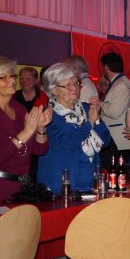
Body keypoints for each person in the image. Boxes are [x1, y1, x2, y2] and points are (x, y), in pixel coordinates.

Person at [0, 55, 51, 202]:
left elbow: (39, 150)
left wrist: (40, 128)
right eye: (3, 78)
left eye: (12, 75)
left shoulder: (18, 108)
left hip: (21, 189)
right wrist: (26, 132)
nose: (12, 80)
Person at [37, 63, 110, 195]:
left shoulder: (86, 108)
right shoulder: (49, 115)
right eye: (67, 85)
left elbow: (106, 141)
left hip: (89, 179)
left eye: (76, 84)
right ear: (53, 90)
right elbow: (64, 145)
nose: (74, 88)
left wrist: (97, 120)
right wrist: (89, 123)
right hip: (62, 183)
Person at [98, 52, 130, 167]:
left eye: (103, 67)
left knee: (117, 177)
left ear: (106, 67)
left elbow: (114, 112)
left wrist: (99, 104)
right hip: (116, 139)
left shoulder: (121, 84)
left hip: (118, 141)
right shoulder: (119, 82)